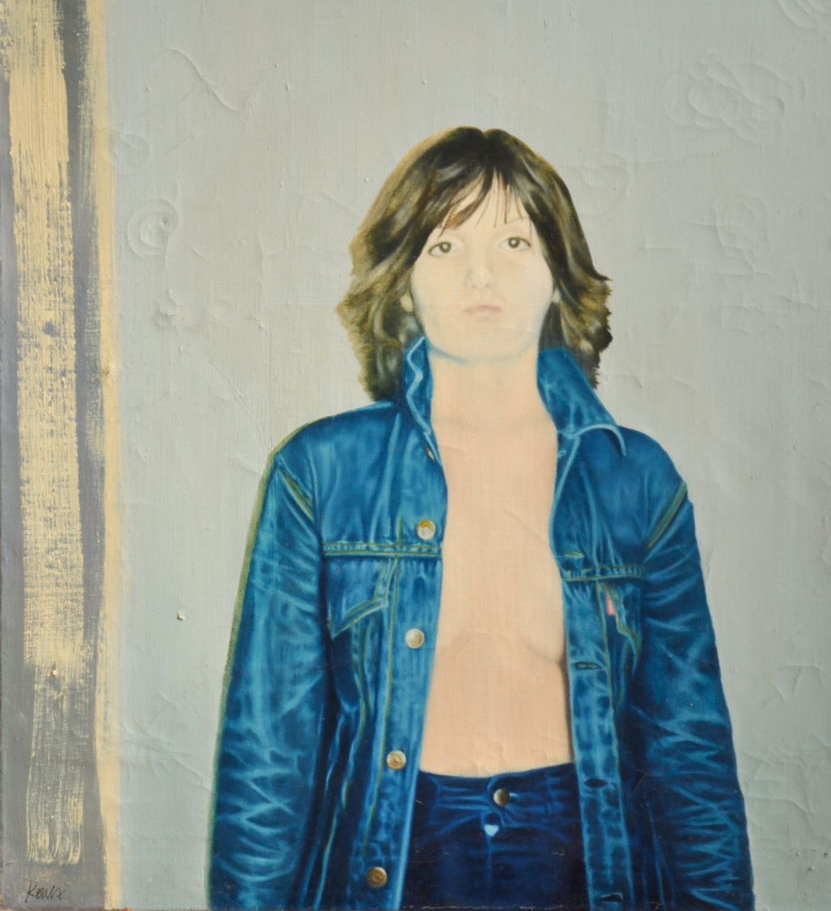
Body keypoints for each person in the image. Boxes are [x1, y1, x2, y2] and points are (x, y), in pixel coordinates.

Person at [209, 127, 754, 911]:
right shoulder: (320, 473)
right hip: (393, 864)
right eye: (444, 247)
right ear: (403, 284)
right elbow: (269, 756)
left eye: (514, 242)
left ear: (557, 274)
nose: (481, 275)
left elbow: (687, 749)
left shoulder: (635, 480)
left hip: (584, 862)